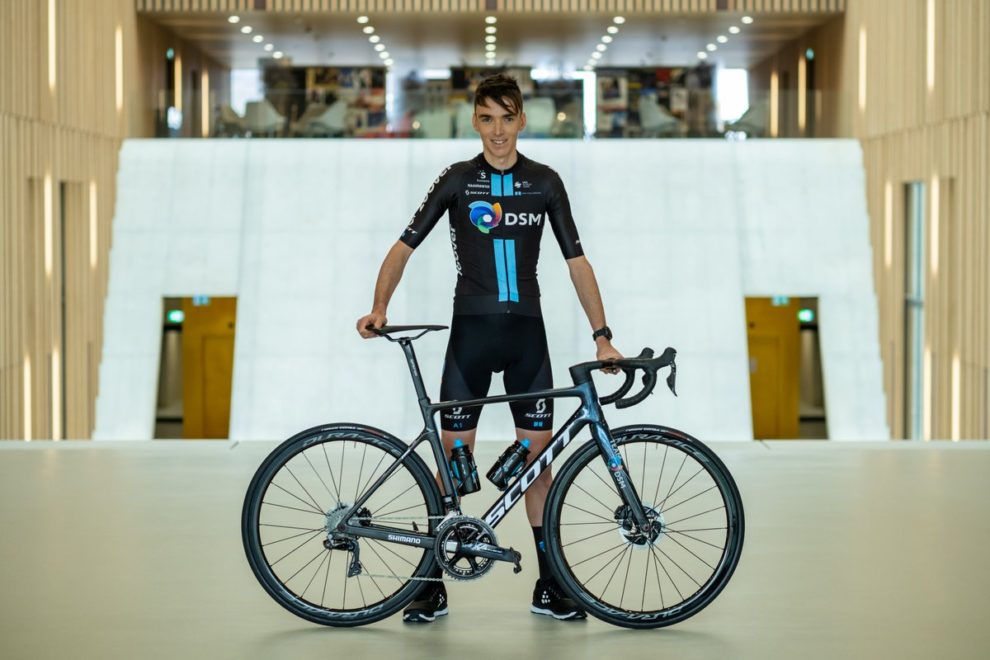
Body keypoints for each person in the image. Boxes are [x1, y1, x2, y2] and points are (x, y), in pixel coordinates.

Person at [355, 73, 622, 622]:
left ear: (521, 120)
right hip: (470, 339)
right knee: (452, 464)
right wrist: (379, 306)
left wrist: (603, 336)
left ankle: (550, 585)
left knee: (538, 466)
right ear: (474, 122)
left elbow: (577, 262)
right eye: (486, 119)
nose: (497, 131)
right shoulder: (458, 179)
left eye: (506, 118)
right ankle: (430, 585)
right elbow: (404, 246)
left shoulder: (544, 182)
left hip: (527, 338)